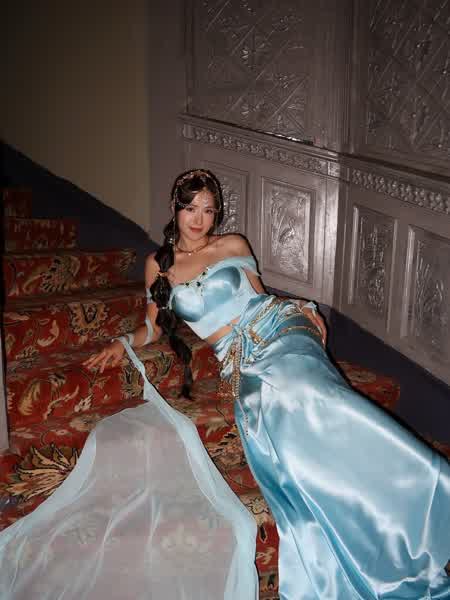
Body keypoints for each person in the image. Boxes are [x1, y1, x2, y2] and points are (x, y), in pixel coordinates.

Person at [1, 168, 449, 600]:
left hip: (280, 328)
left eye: (209, 210)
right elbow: (153, 327)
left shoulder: (233, 243)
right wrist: (124, 341)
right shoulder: (158, 266)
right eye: (191, 208)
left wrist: (303, 309)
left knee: (308, 392)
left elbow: (261, 293)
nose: (199, 219)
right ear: (175, 209)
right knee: (280, 429)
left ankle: (427, 483)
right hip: (239, 360)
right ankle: (364, 518)